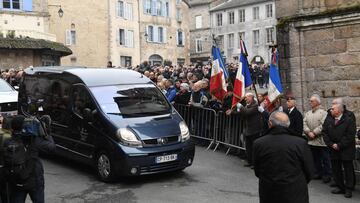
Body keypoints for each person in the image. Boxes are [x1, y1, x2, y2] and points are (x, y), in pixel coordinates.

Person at [253, 111, 314, 203]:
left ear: (270, 124)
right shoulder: (300, 143)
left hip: (269, 192)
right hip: (295, 192)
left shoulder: (259, 143)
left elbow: (257, 170)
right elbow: (309, 170)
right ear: (288, 125)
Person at [4, 115, 56, 203]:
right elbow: (51, 148)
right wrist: (47, 133)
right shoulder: (35, 140)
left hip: (16, 180)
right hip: (35, 179)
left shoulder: (8, 142)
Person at [322, 98, 356, 198]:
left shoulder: (348, 119)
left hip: (346, 150)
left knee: (348, 169)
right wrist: (331, 144)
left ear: (339, 110)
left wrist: (339, 145)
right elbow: (325, 132)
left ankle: (349, 189)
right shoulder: (329, 119)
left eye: (333, 108)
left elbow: (350, 135)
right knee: (336, 169)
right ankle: (340, 187)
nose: (330, 110)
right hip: (333, 149)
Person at [227, 93, 264, 167]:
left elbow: (247, 112)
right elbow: (241, 113)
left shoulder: (255, 105)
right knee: (248, 147)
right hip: (247, 129)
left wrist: (240, 106)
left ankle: (255, 163)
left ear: (251, 97)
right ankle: (250, 161)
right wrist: (233, 112)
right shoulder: (247, 106)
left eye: (247, 97)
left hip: (254, 130)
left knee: (254, 148)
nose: (245, 99)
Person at [303, 94, 331, 183]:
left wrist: (314, 132)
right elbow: (304, 123)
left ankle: (327, 174)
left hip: (321, 141)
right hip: (311, 141)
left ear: (317, 102)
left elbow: (323, 125)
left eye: (312, 101)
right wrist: (308, 132)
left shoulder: (324, 113)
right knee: (315, 159)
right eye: (310, 101)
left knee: (325, 159)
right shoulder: (308, 113)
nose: (310, 102)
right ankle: (318, 172)